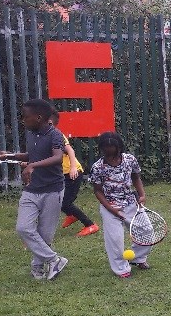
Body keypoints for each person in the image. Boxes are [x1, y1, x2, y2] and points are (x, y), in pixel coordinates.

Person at [0, 99, 69, 280]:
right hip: (31, 190)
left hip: (52, 190)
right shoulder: (31, 134)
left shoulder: (55, 135)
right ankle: (54, 260)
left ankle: (38, 268)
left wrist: (32, 166)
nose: (23, 120)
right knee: (23, 228)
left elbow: (57, 157)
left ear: (38, 118)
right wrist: (11, 156)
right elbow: (32, 155)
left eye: (26, 117)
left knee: (45, 234)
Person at [86, 132, 151, 278]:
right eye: (105, 150)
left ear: (119, 147)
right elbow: (97, 191)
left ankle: (138, 258)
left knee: (146, 231)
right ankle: (121, 269)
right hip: (110, 207)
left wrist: (142, 194)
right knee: (115, 241)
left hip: (130, 203)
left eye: (112, 150)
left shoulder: (129, 160)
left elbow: (136, 177)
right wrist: (111, 209)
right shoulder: (98, 167)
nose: (109, 153)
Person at [50, 111, 98, 237]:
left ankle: (90, 225)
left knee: (65, 202)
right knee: (57, 200)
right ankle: (71, 215)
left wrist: (72, 168)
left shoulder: (57, 135)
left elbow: (70, 150)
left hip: (73, 173)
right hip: (61, 175)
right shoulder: (44, 137)